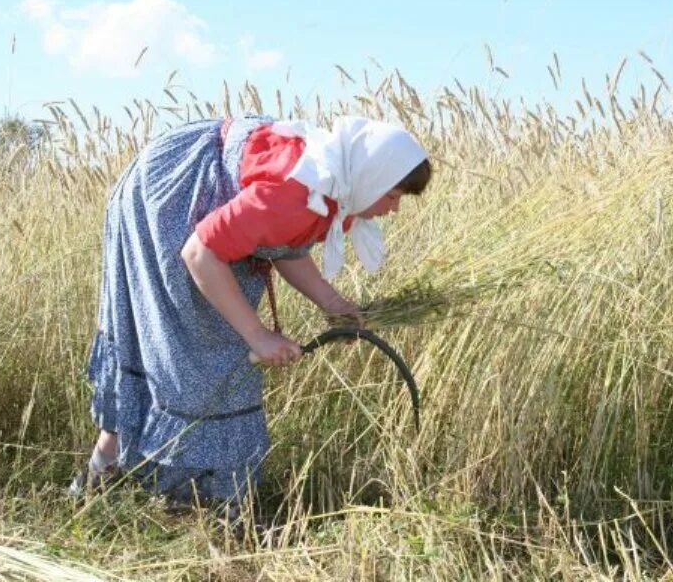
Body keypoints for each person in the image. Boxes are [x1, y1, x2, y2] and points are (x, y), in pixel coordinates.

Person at [68, 114, 432, 508]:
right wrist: (257, 335)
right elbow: (200, 253)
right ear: (372, 176)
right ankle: (140, 489)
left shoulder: (327, 183)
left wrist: (333, 304)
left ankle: (153, 492)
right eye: (393, 195)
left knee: (204, 354)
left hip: (198, 216)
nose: (393, 209)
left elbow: (281, 244)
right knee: (192, 354)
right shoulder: (295, 191)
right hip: (165, 201)